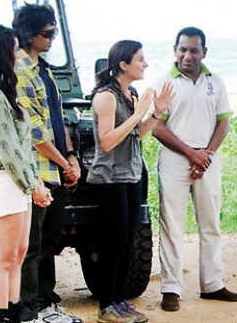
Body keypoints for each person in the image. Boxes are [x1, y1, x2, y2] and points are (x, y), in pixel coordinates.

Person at [0, 25, 52, 323]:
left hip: (17, 179)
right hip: (2, 179)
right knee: (3, 257)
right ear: (4, 52)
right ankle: (0, 314)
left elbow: (22, 146)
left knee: (19, 252)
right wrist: (33, 185)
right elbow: (7, 151)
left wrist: (35, 181)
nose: (18, 55)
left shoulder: (6, 91)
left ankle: (15, 308)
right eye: (14, 49)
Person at [152, 27, 237, 312]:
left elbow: (223, 122)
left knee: (210, 223)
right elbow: (157, 127)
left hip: (208, 160)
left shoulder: (216, 82)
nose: (187, 56)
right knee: (172, 225)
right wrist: (191, 154)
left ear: (204, 52)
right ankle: (170, 288)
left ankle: (212, 283)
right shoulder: (165, 82)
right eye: (182, 49)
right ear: (175, 50)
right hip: (175, 160)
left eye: (194, 50)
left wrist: (206, 155)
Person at [86, 40, 173, 323]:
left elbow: (137, 134)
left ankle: (119, 301)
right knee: (114, 243)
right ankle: (106, 306)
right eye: (140, 59)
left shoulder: (131, 93)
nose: (145, 64)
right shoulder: (106, 97)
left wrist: (156, 112)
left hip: (132, 175)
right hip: (109, 179)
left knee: (127, 242)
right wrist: (138, 113)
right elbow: (107, 141)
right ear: (123, 65)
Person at [12, 4, 82, 323]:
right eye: (47, 33)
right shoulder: (20, 71)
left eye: (54, 32)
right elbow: (34, 131)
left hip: (54, 167)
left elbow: (58, 118)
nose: (52, 38)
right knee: (32, 243)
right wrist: (63, 162)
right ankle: (29, 306)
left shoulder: (45, 70)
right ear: (28, 35)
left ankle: (45, 299)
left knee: (49, 240)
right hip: (36, 170)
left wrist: (70, 158)